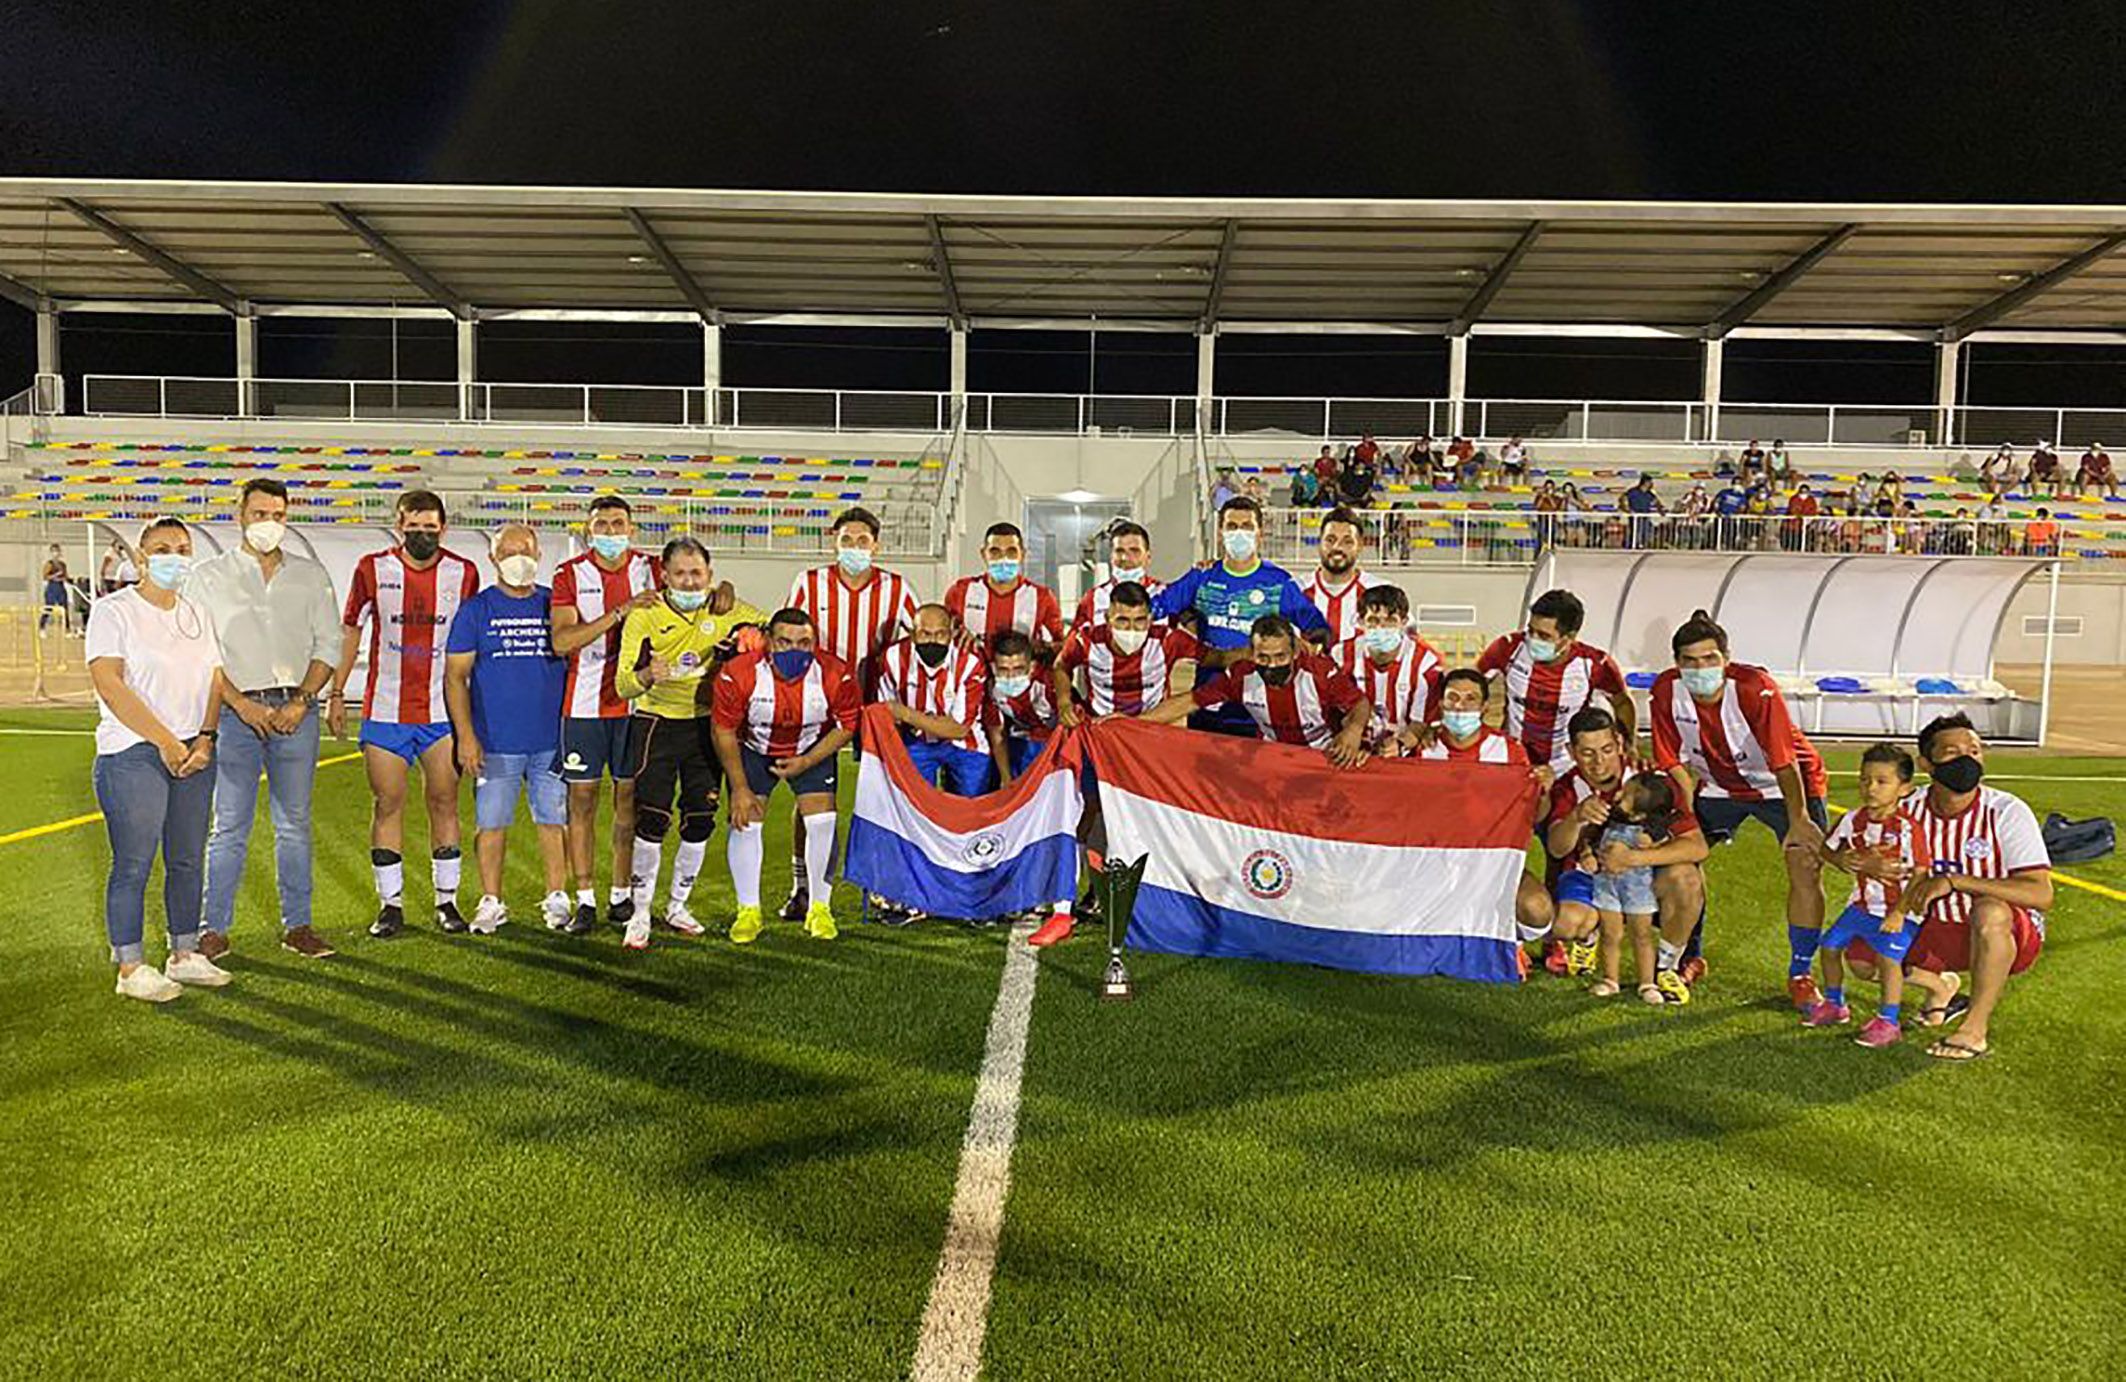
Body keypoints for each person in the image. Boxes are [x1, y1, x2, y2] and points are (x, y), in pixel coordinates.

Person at [191, 477, 341, 961]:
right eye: (259, 515)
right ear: (240, 515)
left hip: (297, 712)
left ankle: (297, 925)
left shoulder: (310, 575)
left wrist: (301, 700)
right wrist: (239, 703)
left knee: (293, 822)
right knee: (229, 823)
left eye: (277, 515)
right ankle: (213, 929)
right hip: (237, 715)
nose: (268, 524)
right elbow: (202, 653)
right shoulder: (209, 576)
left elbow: (328, 646)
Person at [1650, 610, 1829, 1008]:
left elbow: (1784, 760)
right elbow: (1673, 763)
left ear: (1726, 659)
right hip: (1717, 786)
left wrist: (1799, 820)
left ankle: (1801, 973)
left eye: (1710, 659)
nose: (1700, 669)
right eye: (1690, 661)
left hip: (1785, 785)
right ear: (1677, 664)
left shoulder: (1755, 688)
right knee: (1680, 863)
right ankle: (1687, 958)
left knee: (1804, 863)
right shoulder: (1665, 690)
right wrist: (1687, 821)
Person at [85, 519, 230, 1002]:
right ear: (142, 558)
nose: (175, 556)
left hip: (194, 750)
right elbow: (110, 683)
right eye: (163, 549)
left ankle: (184, 953)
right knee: (134, 862)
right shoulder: (114, 611)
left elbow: (214, 679)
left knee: (187, 859)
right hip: (132, 752)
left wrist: (205, 738)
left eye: (183, 548)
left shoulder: (196, 614)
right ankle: (130, 966)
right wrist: (166, 741)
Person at [330, 491, 479, 938]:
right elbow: (352, 630)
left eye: (430, 529)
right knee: (388, 802)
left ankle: (447, 903)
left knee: (444, 802)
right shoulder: (372, 568)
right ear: (399, 527)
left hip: (441, 712)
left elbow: (471, 643)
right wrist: (337, 692)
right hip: (385, 709)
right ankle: (390, 906)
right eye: (413, 528)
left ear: (443, 529)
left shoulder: (463, 572)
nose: (422, 536)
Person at [1866, 714, 2052, 1062]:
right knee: (1862, 956)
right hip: (1934, 925)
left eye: (1975, 751)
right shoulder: (1906, 811)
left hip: (2004, 931)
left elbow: (2041, 895)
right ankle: (1942, 987)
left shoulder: (2006, 811)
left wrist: (1956, 881)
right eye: (1952, 752)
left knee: (1990, 910)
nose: (1967, 760)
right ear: (1926, 763)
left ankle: (1974, 1028)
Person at [608, 536, 765, 949]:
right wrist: (646, 676)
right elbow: (623, 685)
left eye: (697, 573)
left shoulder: (728, 608)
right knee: (652, 819)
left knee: (700, 819)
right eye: (680, 573)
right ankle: (640, 913)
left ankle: (677, 905)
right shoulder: (644, 615)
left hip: (706, 728)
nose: (690, 581)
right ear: (664, 576)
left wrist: (747, 633)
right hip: (656, 724)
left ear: (710, 576)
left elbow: (774, 630)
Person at [783, 505, 920, 921]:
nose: (855, 547)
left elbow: (923, 638)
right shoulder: (809, 583)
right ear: (834, 541)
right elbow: (787, 633)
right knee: (811, 796)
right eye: (848, 540)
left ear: (875, 545)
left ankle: (885, 889)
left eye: (863, 541)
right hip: (819, 703)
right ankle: (802, 887)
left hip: (876, 706)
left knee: (883, 798)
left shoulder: (897, 588)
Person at [444, 524, 571, 936]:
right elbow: (455, 677)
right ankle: (492, 900)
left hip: (551, 740)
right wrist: (466, 735)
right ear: (493, 558)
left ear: (538, 555)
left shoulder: (556, 605)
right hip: (494, 741)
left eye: (527, 550)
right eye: (510, 551)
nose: (520, 559)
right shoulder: (476, 610)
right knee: (491, 824)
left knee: (553, 820)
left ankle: (557, 897)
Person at [551, 496, 667, 933]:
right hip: (583, 705)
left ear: (632, 529)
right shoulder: (570, 574)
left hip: (637, 705)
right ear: (588, 530)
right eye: (602, 524)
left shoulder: (652, 570)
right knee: (581, 801)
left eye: (619, 524)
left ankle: (622, 896)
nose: (612, 532)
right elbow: (562, 642)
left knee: (629, 801)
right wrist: (619, 613)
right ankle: (585, 898)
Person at [710, 607, 860, 944]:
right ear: (768, 642)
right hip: (754, 747)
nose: (795, 650)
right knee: (745, 817)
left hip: (811, 746)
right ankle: (748, 910)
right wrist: (739, 787)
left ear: (814, 643)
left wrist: (807, 761)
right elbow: (723, 730)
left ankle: (820, 908)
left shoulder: (837, 674)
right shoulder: (738, 673)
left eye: (804, 643)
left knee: (823, 820)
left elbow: (847, 726)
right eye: (785, 642)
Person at [1545, 709, 1708, 1001]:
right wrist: (1577, 817)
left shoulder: (1651, 779)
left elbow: (1696, 845)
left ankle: (1665, 968)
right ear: (1571, 751)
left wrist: (1632, 858)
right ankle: (1590, 938)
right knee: (1565, 924)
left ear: (1620, 743)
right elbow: (1557, 848)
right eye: (1587, 753)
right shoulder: (1567, 787)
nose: (1599, 762)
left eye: (1606, 750)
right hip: (1596, 879)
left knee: (1687, 879)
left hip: (1644, 878)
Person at [1153, 495, 1329, 735]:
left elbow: (1317, 626)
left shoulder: (1279, 582)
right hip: (1206, 701)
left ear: (1259, 534)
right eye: (1232, 526)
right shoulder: (1201, 576)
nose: (1239, 533)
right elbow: (1157, 607)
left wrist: (1309, 646)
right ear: (1220, 533)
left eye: (1247, 527)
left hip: (1258, 709)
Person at [1809, 743, 1932, 1047]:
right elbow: (1827, 848)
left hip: (1899, 908)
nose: (1870, 788)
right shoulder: (1853, 820)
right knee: (1829, 946)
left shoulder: (1907, 828)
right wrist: (1840, 860)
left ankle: (1888, 1021)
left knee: (1888, 959)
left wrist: (1899, 913)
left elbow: (1920, 874)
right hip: (1863, 906)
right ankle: (1836, 1004)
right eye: (1865, 780)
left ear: (1904, 789)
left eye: (1881, 782)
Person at [1140, 614, 1371, 769]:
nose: (1271, 665)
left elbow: (1359, 703)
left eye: (1280, 656)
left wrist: (1353, 730)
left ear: (1295, 653)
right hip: (1273, 760)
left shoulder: (1320, 673)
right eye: (1263, 657)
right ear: (1252, 653)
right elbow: (1190, 701)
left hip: (1323, 757)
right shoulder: (1240, 675)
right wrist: (1136, 722)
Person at [1476, 588, 1632, 773]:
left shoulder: (1594, 664)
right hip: (1514, 757)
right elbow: (1469, 684)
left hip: (1567, 764)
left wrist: (1629, 743)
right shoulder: (1509, 648)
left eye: (1544, 636)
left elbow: (1622, 703)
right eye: (1530, 631)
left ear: (1570, 637)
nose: (1533, 639)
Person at [877, 602, 993, 797]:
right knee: (917, 810)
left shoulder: (970, 661)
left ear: (951, 633)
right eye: (925, 634)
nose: (933, 641)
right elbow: (886, 714)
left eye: (940, 634)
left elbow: (958, 729)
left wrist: (906, 714)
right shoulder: (893, 657)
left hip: (967, 744)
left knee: (971, 811)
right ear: (912, 634)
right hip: (917, 742)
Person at [1055, 580, 1198, 726]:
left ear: (1150, 620)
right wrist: (1064, 701)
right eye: (1122, 620)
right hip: (1100, 728)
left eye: (1139, 620)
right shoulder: (1085, 641)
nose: (1131, 629)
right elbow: (1061, 665)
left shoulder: (1167, 640)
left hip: (1152, 728)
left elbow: (1217, 658)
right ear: (1107, 619)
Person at [1335, 584, 1442, 754]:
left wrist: (1399, 745)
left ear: (1404, 622)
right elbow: (1333, 712)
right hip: (1351, 748)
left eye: (1390, 621)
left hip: (1401, 753)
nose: (1381, 628)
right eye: (1373, 620)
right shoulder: (1340, 656)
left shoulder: (1424, 663)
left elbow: (1420, 721)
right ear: (1361, 622)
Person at [945, 521, 1063, 654]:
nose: (1003, 559)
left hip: (1022, 674)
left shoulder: (1043, 598)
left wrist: (1038, 648)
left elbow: (1059, 649)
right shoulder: (960, 592)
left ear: (1022, 555)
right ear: (984, 554)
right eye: (995, 552)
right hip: (972, 674)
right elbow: (942, 635)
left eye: (1011, 552)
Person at [983, 630, 1058, 789]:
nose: (1011, 677)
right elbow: (996, 734)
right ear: (994, 667)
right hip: (1021, 739)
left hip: (1056, 741)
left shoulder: (1050, 684)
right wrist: (1006, 778)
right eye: (1003, 669)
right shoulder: (992, 689)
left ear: (1032, 667)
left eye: (1018, 669)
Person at [1301, 507, 1374, 646]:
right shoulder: (1295, 591)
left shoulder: (1379, 592)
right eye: (1330, 539)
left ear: (1360, 546)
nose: (1337, 547)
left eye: (1347, 541)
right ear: (1319, 543)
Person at [1074, 520, 1163, 627]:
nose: (1125, 558)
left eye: (1134, 551)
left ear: (1148, 557)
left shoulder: (1165, 595)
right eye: (1119, 551)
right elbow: (1075, 640)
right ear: (1111, 556)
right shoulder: (1093, 598)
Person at [1621, 474, 1663, 548]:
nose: (1651, 484)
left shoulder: (1649, 493)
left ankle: (1643, 544)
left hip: (1645, 515)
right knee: (1636, 531)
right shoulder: (1633, 491)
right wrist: (1626, 509)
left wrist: (1660, 510)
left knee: (1647, 531)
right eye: (1650, 482)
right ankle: (1634, 545)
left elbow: (1656, 502)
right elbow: (1623, 499)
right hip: (1635, 515)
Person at [39, 544, 70, 632]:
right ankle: (42, 627)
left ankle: (67, 629)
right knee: (49, 608)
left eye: (57, 551)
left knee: (64, 608)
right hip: (52, 587)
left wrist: (64, 578)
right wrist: (55, 575)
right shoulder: (49, 564)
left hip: (61, 586)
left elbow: (66, 576)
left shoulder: (62, 564)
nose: (56, 553)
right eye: (54, 551)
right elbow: (45, 577)